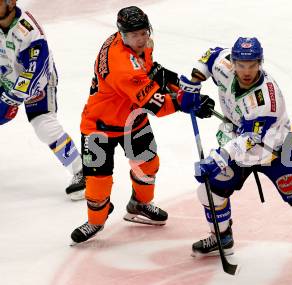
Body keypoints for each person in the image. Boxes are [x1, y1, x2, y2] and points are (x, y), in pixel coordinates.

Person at [179, 37, 292, 280]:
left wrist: (218, 158)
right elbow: (210, 56)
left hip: (278, 149)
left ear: (260, 63)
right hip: (241, 141)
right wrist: (192, 83)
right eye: (241, 64)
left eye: (252, 65)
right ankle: (222, 238)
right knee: (208, 193)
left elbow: (250, 139)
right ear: (234, 62)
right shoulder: (225, 65)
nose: (246, 71)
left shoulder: (265, 99)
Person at [70, 6, 214, 244]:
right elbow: (156, 105)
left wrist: (182, 87)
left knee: (148, 164)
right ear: (122, 34)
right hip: (99, 125)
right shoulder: (121, 66)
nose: (141, 38)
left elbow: (151, 72)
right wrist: (187, 102)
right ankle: (95, 221)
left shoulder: (138, 44)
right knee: (98, 181)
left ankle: (139, 204)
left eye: (143, 32)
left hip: (132, 119)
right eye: (134, 35)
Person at [0, 0, 85, 200]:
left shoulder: (27, 30)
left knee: (43, 125)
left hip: (40, 82)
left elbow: (34, 69)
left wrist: (13, 98)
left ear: (11, 3)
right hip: (6, 78)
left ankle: (81, 171)